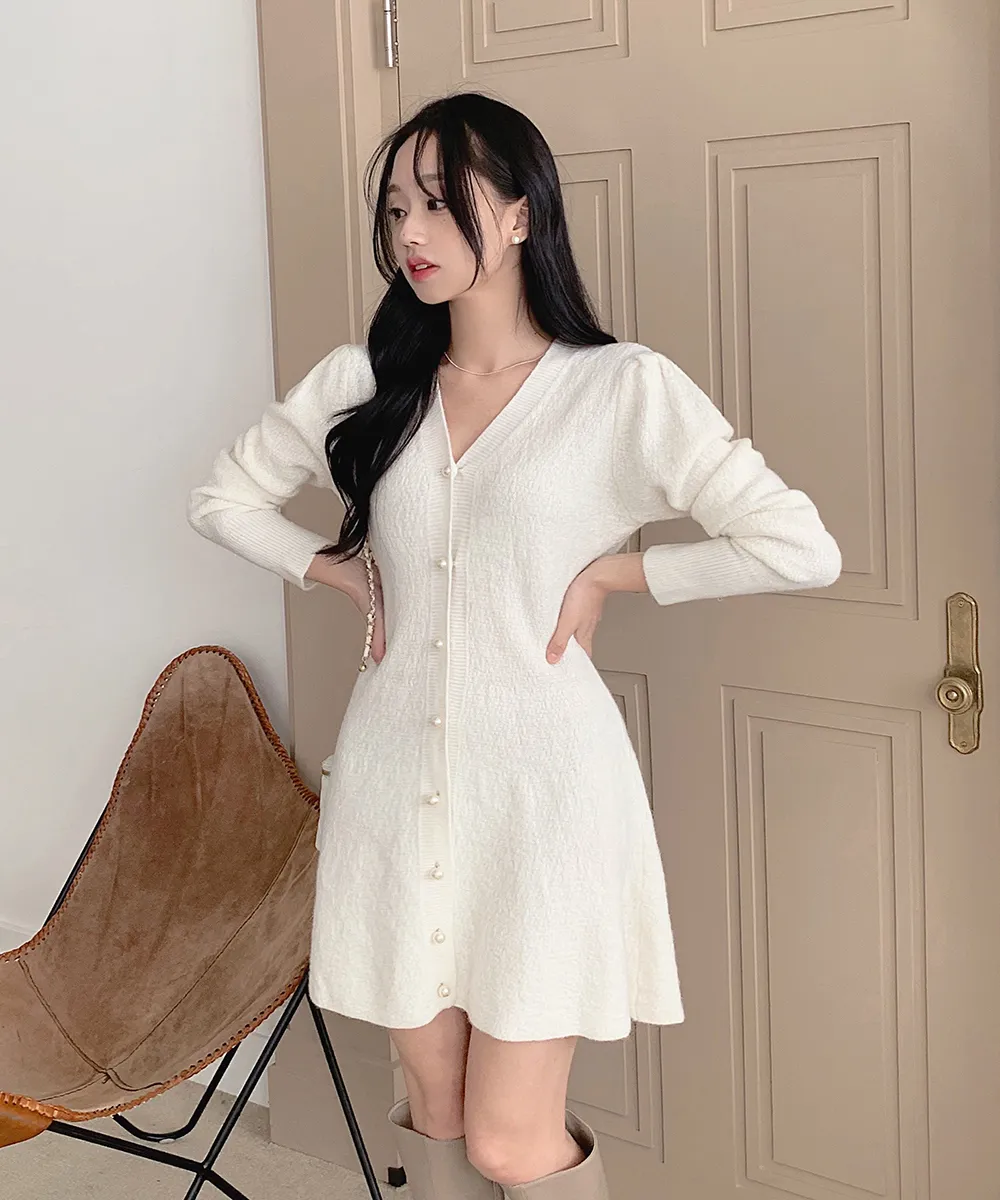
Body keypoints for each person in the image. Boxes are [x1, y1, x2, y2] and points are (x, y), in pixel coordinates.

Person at [187, 91, 841, 1200]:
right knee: (434, 1112)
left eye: (442, 204)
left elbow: (799, 546)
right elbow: (223, 500)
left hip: (544, 797)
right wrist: (334, 567)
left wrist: (614, 573)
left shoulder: (618, 390)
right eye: (396, 208)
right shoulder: (366, 384)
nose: (411, 233)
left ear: (524, 214)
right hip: (393, 786)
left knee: (505, 1140)